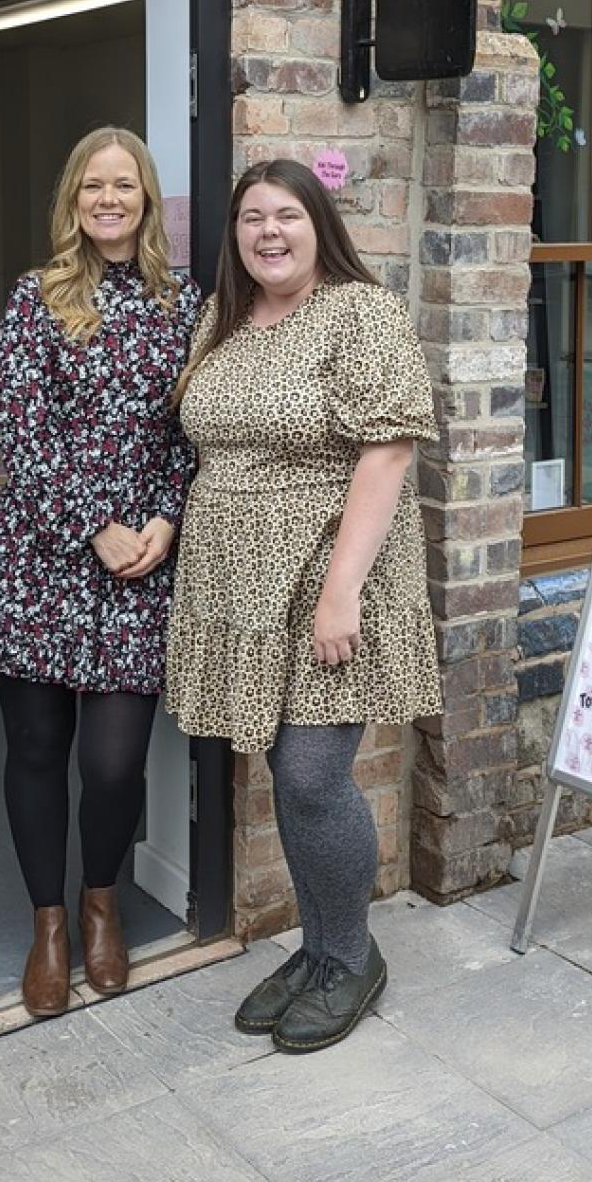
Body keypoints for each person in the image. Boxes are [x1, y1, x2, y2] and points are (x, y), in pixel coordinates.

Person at [167, 158, 441, 1052]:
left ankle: (351, 955)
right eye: (252, 217)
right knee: (285, 767)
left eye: (287, 214)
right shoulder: (226, 318)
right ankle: (322, 950)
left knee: (313, 774)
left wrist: (340, 593)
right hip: (243, 584)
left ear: (320, 223)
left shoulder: (359, 312)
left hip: (333, 576)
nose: (268, 232)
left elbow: (389, 452)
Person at [0, 126, 200, 1014]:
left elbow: (192, 428)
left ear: (145, 199)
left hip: (140, 559)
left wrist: (166, 517)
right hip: (39, 559)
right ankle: (52, 923)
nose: (108, 199)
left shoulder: (183, 303)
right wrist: (93, 526)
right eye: (93, 185)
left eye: (124, 185)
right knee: (35, 747)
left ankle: (103, 897)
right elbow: (23, 428)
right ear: (73, 198)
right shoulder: (36, 296)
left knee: (111, 762)